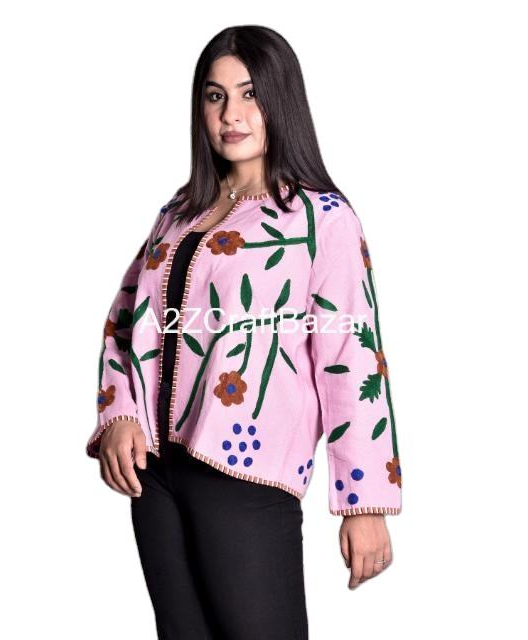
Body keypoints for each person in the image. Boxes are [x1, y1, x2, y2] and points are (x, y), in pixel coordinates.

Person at [85, 25, 402, 640]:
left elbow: (352, 356)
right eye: (215, 96)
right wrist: (119, 414)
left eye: (250, 94)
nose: (231, 114)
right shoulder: (180, 212)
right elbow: (126, 321)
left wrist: (364, 502)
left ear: (281, 100)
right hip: (156, 476)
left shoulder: (321, 219)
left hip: (246, 473)